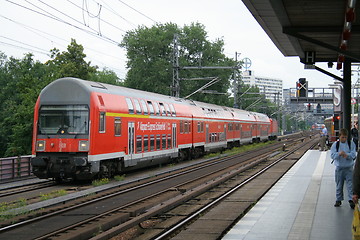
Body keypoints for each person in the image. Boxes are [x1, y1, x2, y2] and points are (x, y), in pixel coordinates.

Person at [330, 128, 356, 208]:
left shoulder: (351, 144)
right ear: (339, 137)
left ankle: (350, 200)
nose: (344, 139)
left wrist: (347, 155)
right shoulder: (335, 145)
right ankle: (338, 200)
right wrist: (339, 154)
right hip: (339, 168)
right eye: (342, 137)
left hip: (349, 168)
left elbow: (353, 155)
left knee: (350, 185)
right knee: (339, 184)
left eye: (345, 137)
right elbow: (332, 155)